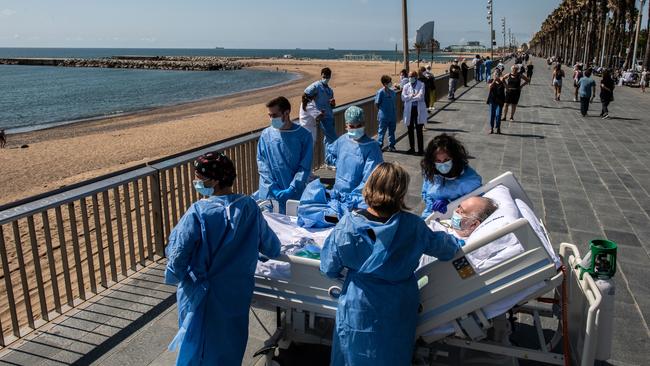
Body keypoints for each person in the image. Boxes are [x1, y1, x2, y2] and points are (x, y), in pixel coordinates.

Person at [320, 162, 463, 366]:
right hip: (398, 306)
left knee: (353, 356)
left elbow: (328, 267)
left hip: (359, 307)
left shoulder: (348, 226)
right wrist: (458, 237)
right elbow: (446, 249)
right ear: (400, 192)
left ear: (369, 186)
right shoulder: (413, 226)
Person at [165, 151, 281, 366]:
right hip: (236, 292)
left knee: (199, 349)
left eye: (199, 179)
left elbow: (177, 258)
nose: (197, 183)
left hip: (203, 295)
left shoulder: (198, 213)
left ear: (214, 180)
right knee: (230, 345)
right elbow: (271, 247)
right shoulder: (249, 207)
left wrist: (182, 278)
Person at [256, 96, 313, 214]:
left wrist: (292, 188)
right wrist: (272, 187)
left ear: (286, 113)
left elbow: (304, 166)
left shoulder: (303, 136)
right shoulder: (266, 135)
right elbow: (262, 164)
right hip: (269, 193)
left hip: (294, 194)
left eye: (274, 115)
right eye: (269, 116)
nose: (272, 119)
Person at [326, 106, 383, 197]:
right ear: (346, 126)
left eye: (359, 126)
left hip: (358, 197)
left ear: (364, 124)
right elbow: (330, 154)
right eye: (352, 126)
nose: (355, 129)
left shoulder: (372, 147)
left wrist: (353, 197)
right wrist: (339, 164)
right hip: (338, 192)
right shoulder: (342, 140)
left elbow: (370, 179)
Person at [420, 134, 482, 218]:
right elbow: (426, 192)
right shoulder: (432, 171)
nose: (442, 164)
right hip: (430, 216)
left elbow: (477, 204)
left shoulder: (470, 180)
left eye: (446, 160)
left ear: (455, 158)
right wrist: (432, 205)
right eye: (438, 161)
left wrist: (450, 204)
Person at [304, 67, 336, 148]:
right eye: (324, 77)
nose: (325, 78)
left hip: (331, 117)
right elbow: (305, 95)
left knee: (328, 140)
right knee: (333, 140)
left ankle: (328, 159)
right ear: (321, 75)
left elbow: (332, 106)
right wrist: (313, 111)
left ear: (330, 77)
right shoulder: (316, 86)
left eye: (327, 77)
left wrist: (332, 104)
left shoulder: (330, 90)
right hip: (324, 118)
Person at [401, 70, 427, 155]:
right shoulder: (406, 86)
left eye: (412, 76)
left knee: (419, 130)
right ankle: (412, 148)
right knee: (410, 129)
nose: (410, 78)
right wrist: (412, 96)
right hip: (409, 110)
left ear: (415, 77)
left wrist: (410, 98)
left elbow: (420, 96)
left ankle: (420, 150)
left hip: (418, 110)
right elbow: (402, 97)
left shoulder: (421, 84)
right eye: (409, 76)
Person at [374, 75, 397, 151]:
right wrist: (382, 110)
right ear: (385, 83)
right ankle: (379, 146)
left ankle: (392, 146)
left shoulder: (393, 92)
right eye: (389, 82)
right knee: (381, 131)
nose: (391, 83)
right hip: (383, 116)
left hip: (392, 115)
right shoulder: (380, 92)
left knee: (392, 131)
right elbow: (377, 103)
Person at [487, 69, 506, 134]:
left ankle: (498, 128)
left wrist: (503, 81)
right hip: (492, 100)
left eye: (497, 74)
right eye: (495, 74)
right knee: (492, 115)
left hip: (500, 101)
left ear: (500, 75)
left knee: (498, 115)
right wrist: (494, 80)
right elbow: (490, 87)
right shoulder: (491, 80)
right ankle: (491, 128)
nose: (496, 75)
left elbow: (508, 89)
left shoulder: (502, 81)